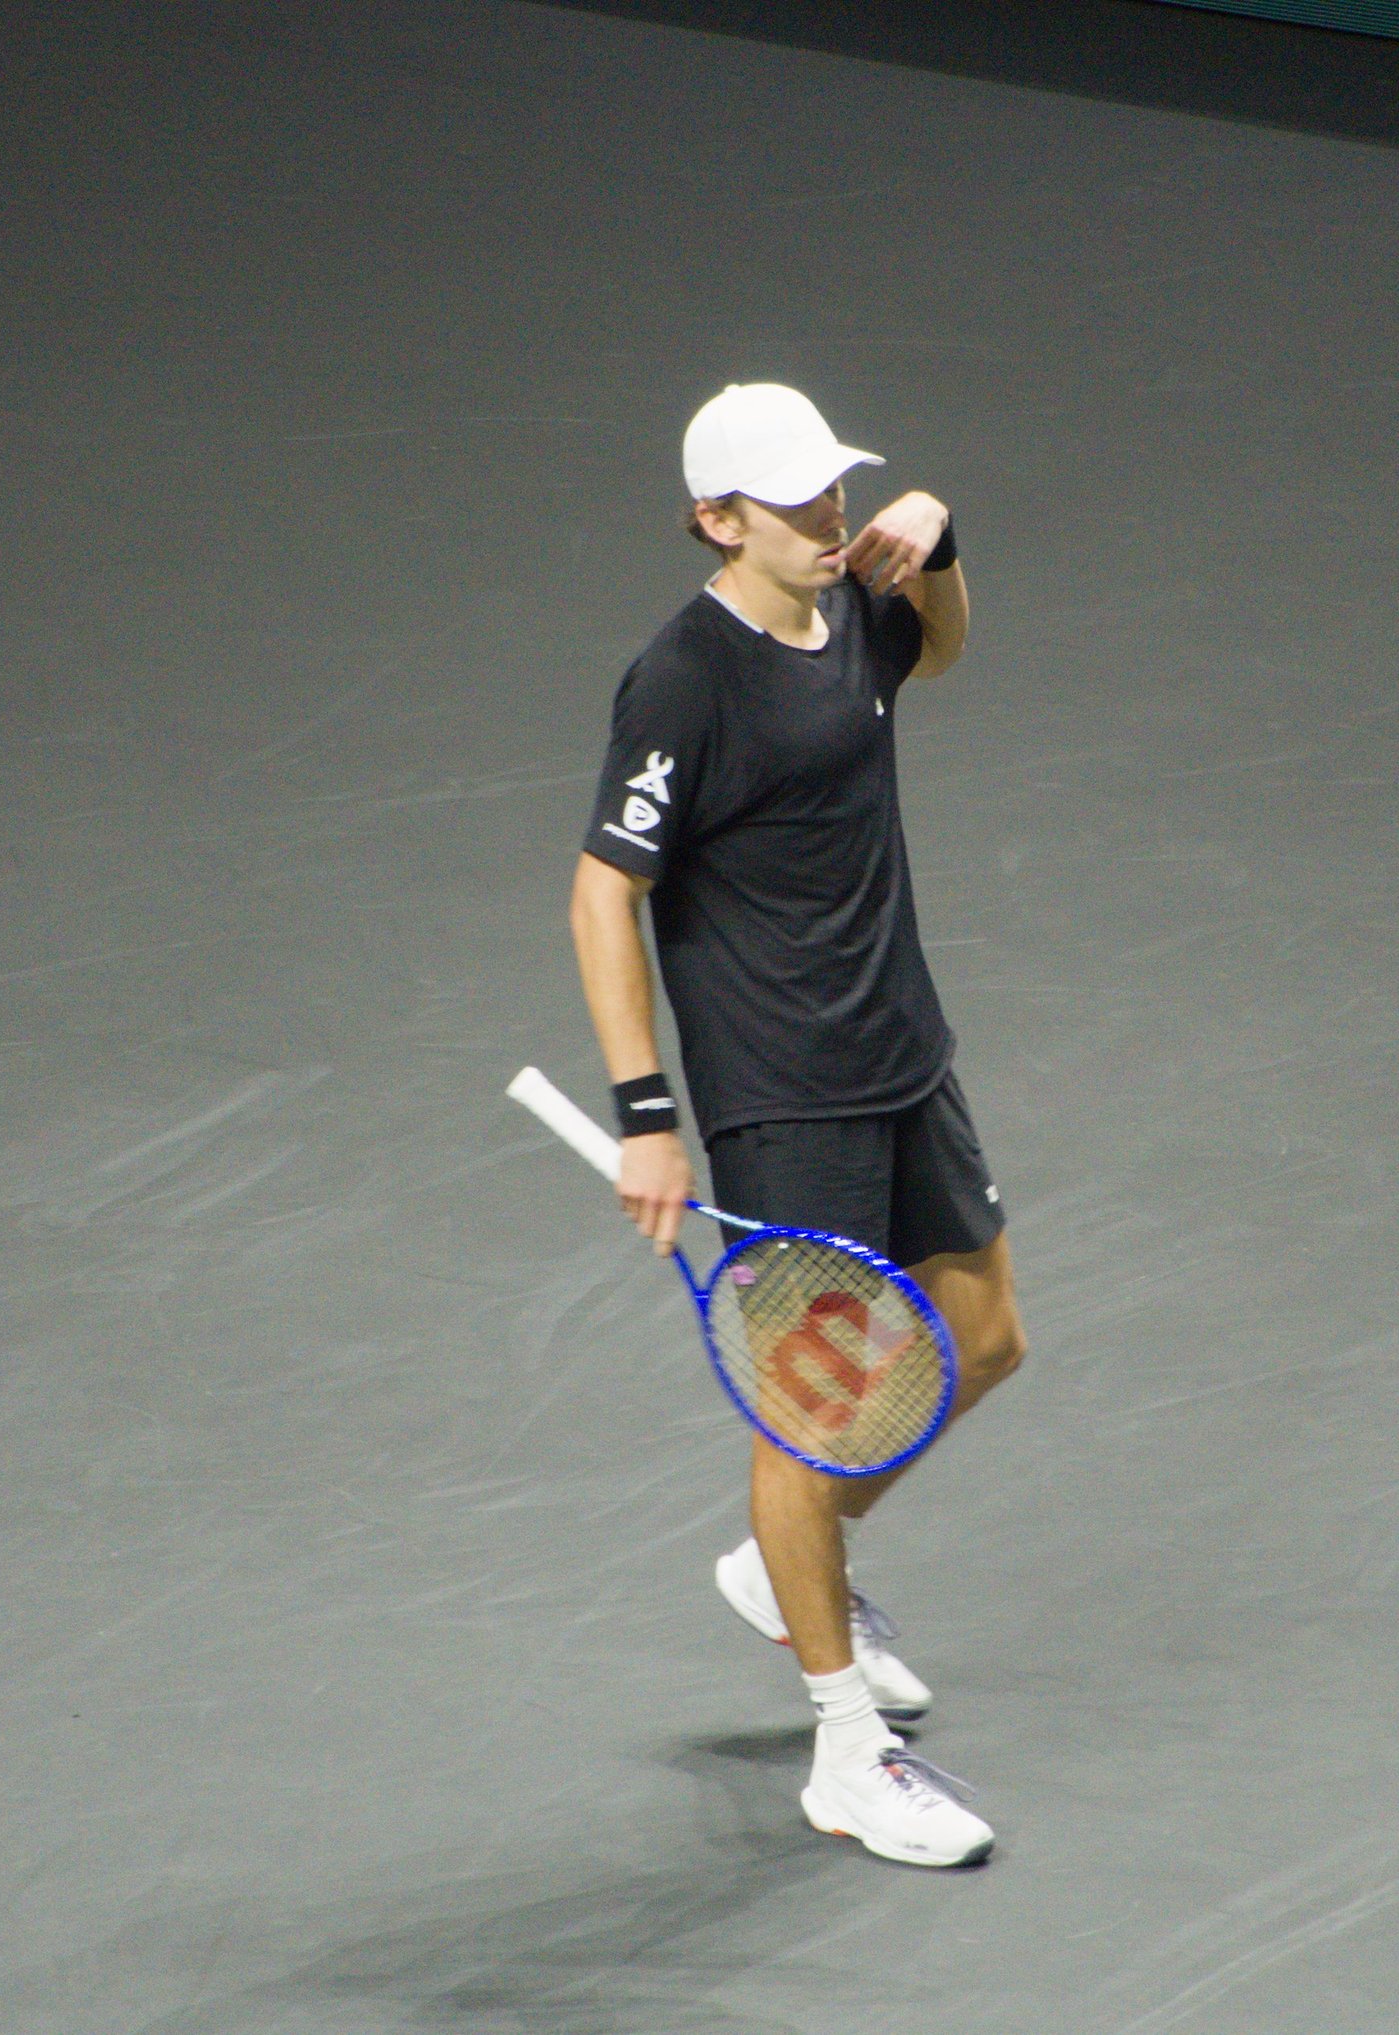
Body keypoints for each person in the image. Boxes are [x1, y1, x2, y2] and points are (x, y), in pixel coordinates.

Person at [571, 382, 1027, 1867]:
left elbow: (936, 650)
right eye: (795, 503)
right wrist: (648, 1116)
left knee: (984, 1339)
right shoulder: (680, 682)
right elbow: (603, 892)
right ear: (718, 521)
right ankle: (845, 1754)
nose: (830, 519)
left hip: (903, 1052)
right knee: (811, 1424)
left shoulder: (848, 611)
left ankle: (787, 1571)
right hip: (783, 1097)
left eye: (835, 489)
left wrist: (937, 544)